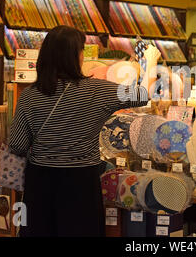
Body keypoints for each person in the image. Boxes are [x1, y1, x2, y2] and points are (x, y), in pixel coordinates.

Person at [8, 25, 161, 237]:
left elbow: (17, 145)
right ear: (75, 56)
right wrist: (150, 60)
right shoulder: (98, 91)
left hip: (40, 183)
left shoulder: (29, 96)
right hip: (81, 183)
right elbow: (142, 94)